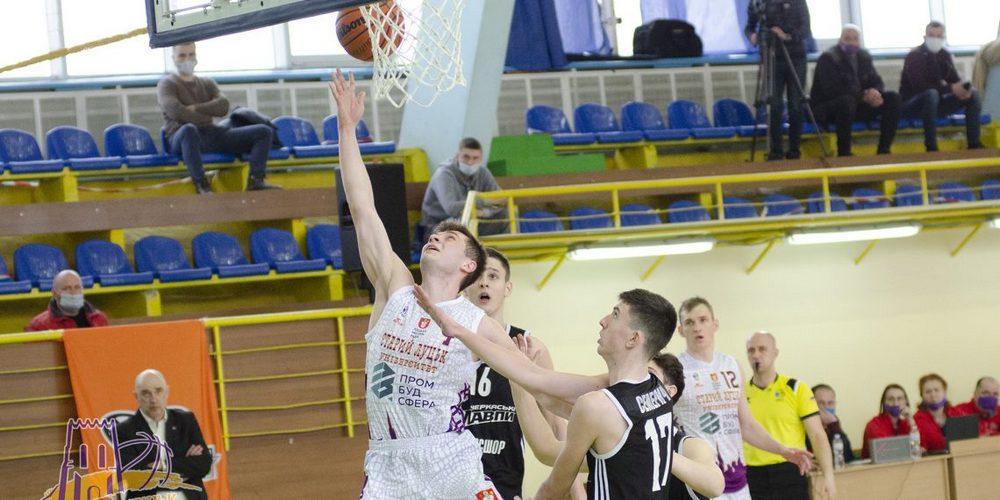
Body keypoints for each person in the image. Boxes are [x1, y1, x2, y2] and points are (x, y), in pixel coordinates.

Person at [330, 70, 514, 499]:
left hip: (451, 459)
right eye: (435, 233)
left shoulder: (475, 322)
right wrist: (346, 130)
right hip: (389, 463)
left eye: (449, 238)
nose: (435, 237)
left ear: (468, 265)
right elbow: (362, 205)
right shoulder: (394, 286)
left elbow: (534, 381)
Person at [415, 286, 680, 499]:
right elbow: (537, 381)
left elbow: (555, 487)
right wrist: (458, 331)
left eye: (615, 314)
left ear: (633, 339)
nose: (603, 321)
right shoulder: (655, 389)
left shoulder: (597, 406)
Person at [508, 348, 726, 499]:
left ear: (668, 392)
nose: (641, 383)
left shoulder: (689, 446)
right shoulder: (619, 438)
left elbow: (716, 485)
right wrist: (517, 379)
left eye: (649, 376)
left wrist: (656, 451)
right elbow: (547, 449)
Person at [461, 247, 580, 499]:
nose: (484, 282)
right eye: (477, 276)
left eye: (493, 276)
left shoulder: (530, 347)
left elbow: (556, 424)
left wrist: (579, 496)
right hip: (450, 481)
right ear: (464, 287)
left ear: (507, 288)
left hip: (503, 484)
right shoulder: (446, 345)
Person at [672, 297, 813, 500]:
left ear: (715, 324)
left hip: (737, 479)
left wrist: (783, 450)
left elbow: (746, 425)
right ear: (681, 330)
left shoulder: (732, 365)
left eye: (703, 320)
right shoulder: (675, 369)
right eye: (689, 322)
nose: (697, 327)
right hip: (700, 482)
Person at [157, 42, 279, 194]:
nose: (187, 59)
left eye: (191, 55)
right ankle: (202, 185)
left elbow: (223, 106)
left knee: (263, 131)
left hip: (210, 133)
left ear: (196, 56)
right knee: (189, 129)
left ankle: (256, 180)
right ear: (173, 58)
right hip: (181, 137)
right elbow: (176, 112)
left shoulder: (207, 82)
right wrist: (208, 111)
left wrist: (196, 108)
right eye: (182, 55)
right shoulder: (167, 84)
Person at [744, 332, 835, 500]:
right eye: (751, 350)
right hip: (752, 475)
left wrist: (828, 476)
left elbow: (817, 435)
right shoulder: (740, 393)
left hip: (790, 470)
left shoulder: (796, 389)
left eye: (762, 349)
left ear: (775, 353)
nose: (756, 355)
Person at [115, 369, 212, 500]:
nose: (153, 399)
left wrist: (161, 465)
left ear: (167, 392)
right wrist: (184, 466)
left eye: (158, 391)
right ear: (136, 396)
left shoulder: (186, 421)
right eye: (146, 393)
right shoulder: (124, 430)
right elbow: (134, 478)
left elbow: (203, 464)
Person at [810, 24, 901, 156]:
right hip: (829, 109)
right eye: (847, 38)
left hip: (857, 105)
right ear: (840, 40)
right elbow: (832, 90)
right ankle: (844, 152)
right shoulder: (828, 58)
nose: (852, 42)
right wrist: (862, 96)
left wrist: (875, 92)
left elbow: (876, 81)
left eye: (855, 38)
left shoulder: (864, 57)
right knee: (846, 102)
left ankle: (884, 150)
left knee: (893, 98)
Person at [900, 21, 984, 152]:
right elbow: (919, 86)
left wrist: (963, 90)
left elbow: (954, 79)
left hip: (936, 103)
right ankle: (931, 147)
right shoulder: (914, 56)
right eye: (931, 35)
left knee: (972, 93)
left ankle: (974, 144)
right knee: (931, 94)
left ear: (943, 38)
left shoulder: (944, 55)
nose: (935, 39)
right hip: (913, 104)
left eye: (939, 36)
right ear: (925, 37)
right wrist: (951, 89)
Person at [746, 0, 812, 160]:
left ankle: (794, 149)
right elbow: (749, 26)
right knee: (774, 104)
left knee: (795, 104)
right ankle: (776, 150)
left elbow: (805, 29)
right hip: (771, 56)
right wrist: (752, 36)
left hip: (795, 57)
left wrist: (786, 36)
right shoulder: (756, 2)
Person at [419, 137, 507, 240]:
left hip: (472, 220)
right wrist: (484, 202)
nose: (470, 162)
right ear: (457, 156)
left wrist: (484, 212)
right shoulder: (444, 174)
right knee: (465, 219)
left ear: (481, 159)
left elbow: (501, 200)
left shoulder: (482, 172)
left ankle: (507, 249)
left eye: (475, 158)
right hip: (438, 227)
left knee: (506, 214)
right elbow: (451, 208)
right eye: (466, 157)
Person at [26, 270, 108, 331]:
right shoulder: (39, 326)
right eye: (66, 288)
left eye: (77, 287)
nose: (73, 292)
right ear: (54, 293)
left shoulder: (99, 318)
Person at [861, 384, 916, 459]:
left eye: (899, 399)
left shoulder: (906, 423)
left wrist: (911, 420)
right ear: (884, 402)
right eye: (891, 399)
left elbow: (919, 447)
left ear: (906, 402)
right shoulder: (874, 425)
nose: (896, 403)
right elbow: (886, 452)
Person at [811, 384, 855, 463]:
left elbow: (847, 457)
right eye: (821, 403)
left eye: (830, 403)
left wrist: (833, 425)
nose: (826, 407)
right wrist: (833, 424)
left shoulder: (834, 423)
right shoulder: (806, 427)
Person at [913, 373, 955, 453]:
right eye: (928, 392)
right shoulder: (916, 420)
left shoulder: (956, 413)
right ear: (922, 395)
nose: (933, 395)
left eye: (936, 390)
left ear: (944, 392)